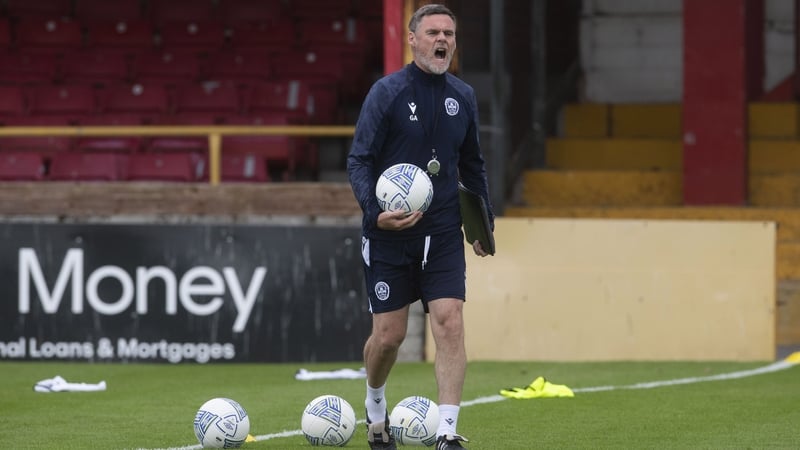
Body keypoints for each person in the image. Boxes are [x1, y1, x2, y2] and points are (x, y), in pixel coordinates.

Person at [347, 4, 494, 450]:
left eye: (448, 33)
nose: (442, 40)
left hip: (444, 230)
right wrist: (375, 213)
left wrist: (481, 225)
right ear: (413, 39)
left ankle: (447, 433)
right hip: (390, 235)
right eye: (432, 32)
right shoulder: (386, 93)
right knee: (388, 338)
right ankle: (375, 408)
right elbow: (359, 161)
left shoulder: (463, 96)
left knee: (449, 321)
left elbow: (472, 164)